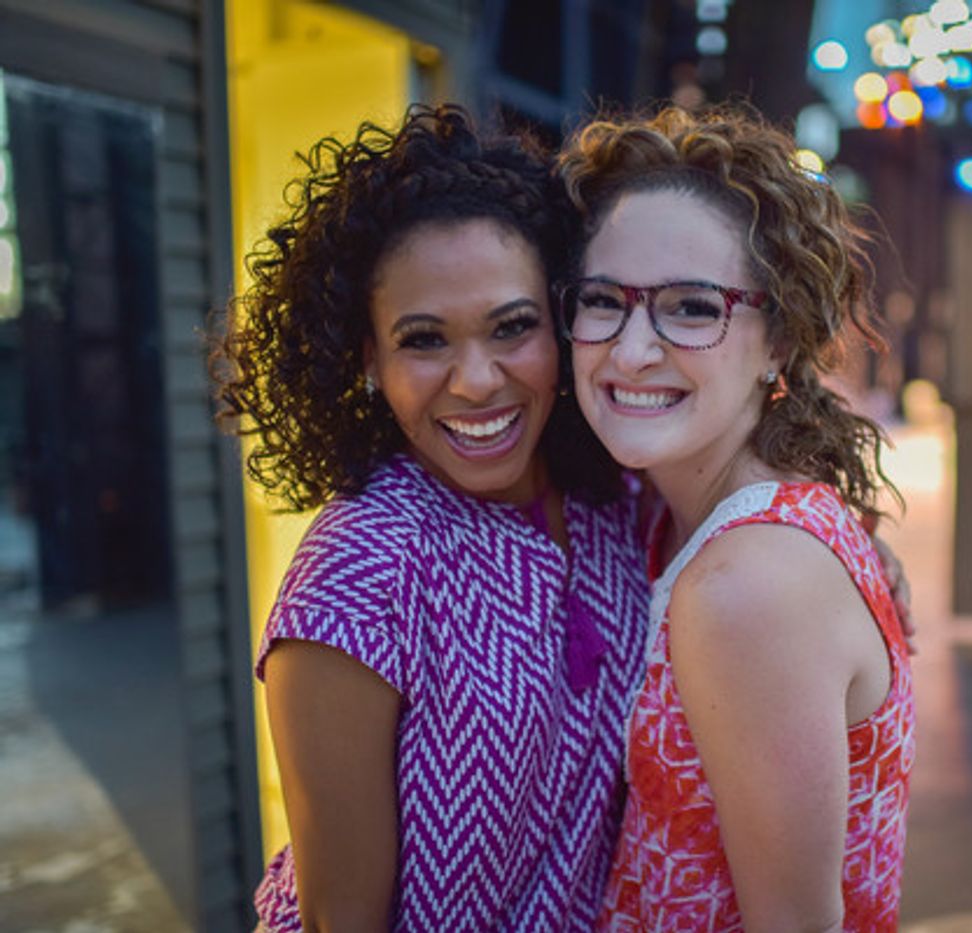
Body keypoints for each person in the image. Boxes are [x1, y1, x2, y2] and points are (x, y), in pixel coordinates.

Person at [211, 104, 652, 931]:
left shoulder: (615, 499)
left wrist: (858, 549)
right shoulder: (359, 573)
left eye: (512, 327)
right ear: (368, 360)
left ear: (562, 326)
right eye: (424, 340)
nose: (477, 380)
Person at [557, 105, 916, 932]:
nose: (632, 350)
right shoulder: (675, 511)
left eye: (690, 308)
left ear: (780, 344)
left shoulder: (748, 584)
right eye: (603, 300)